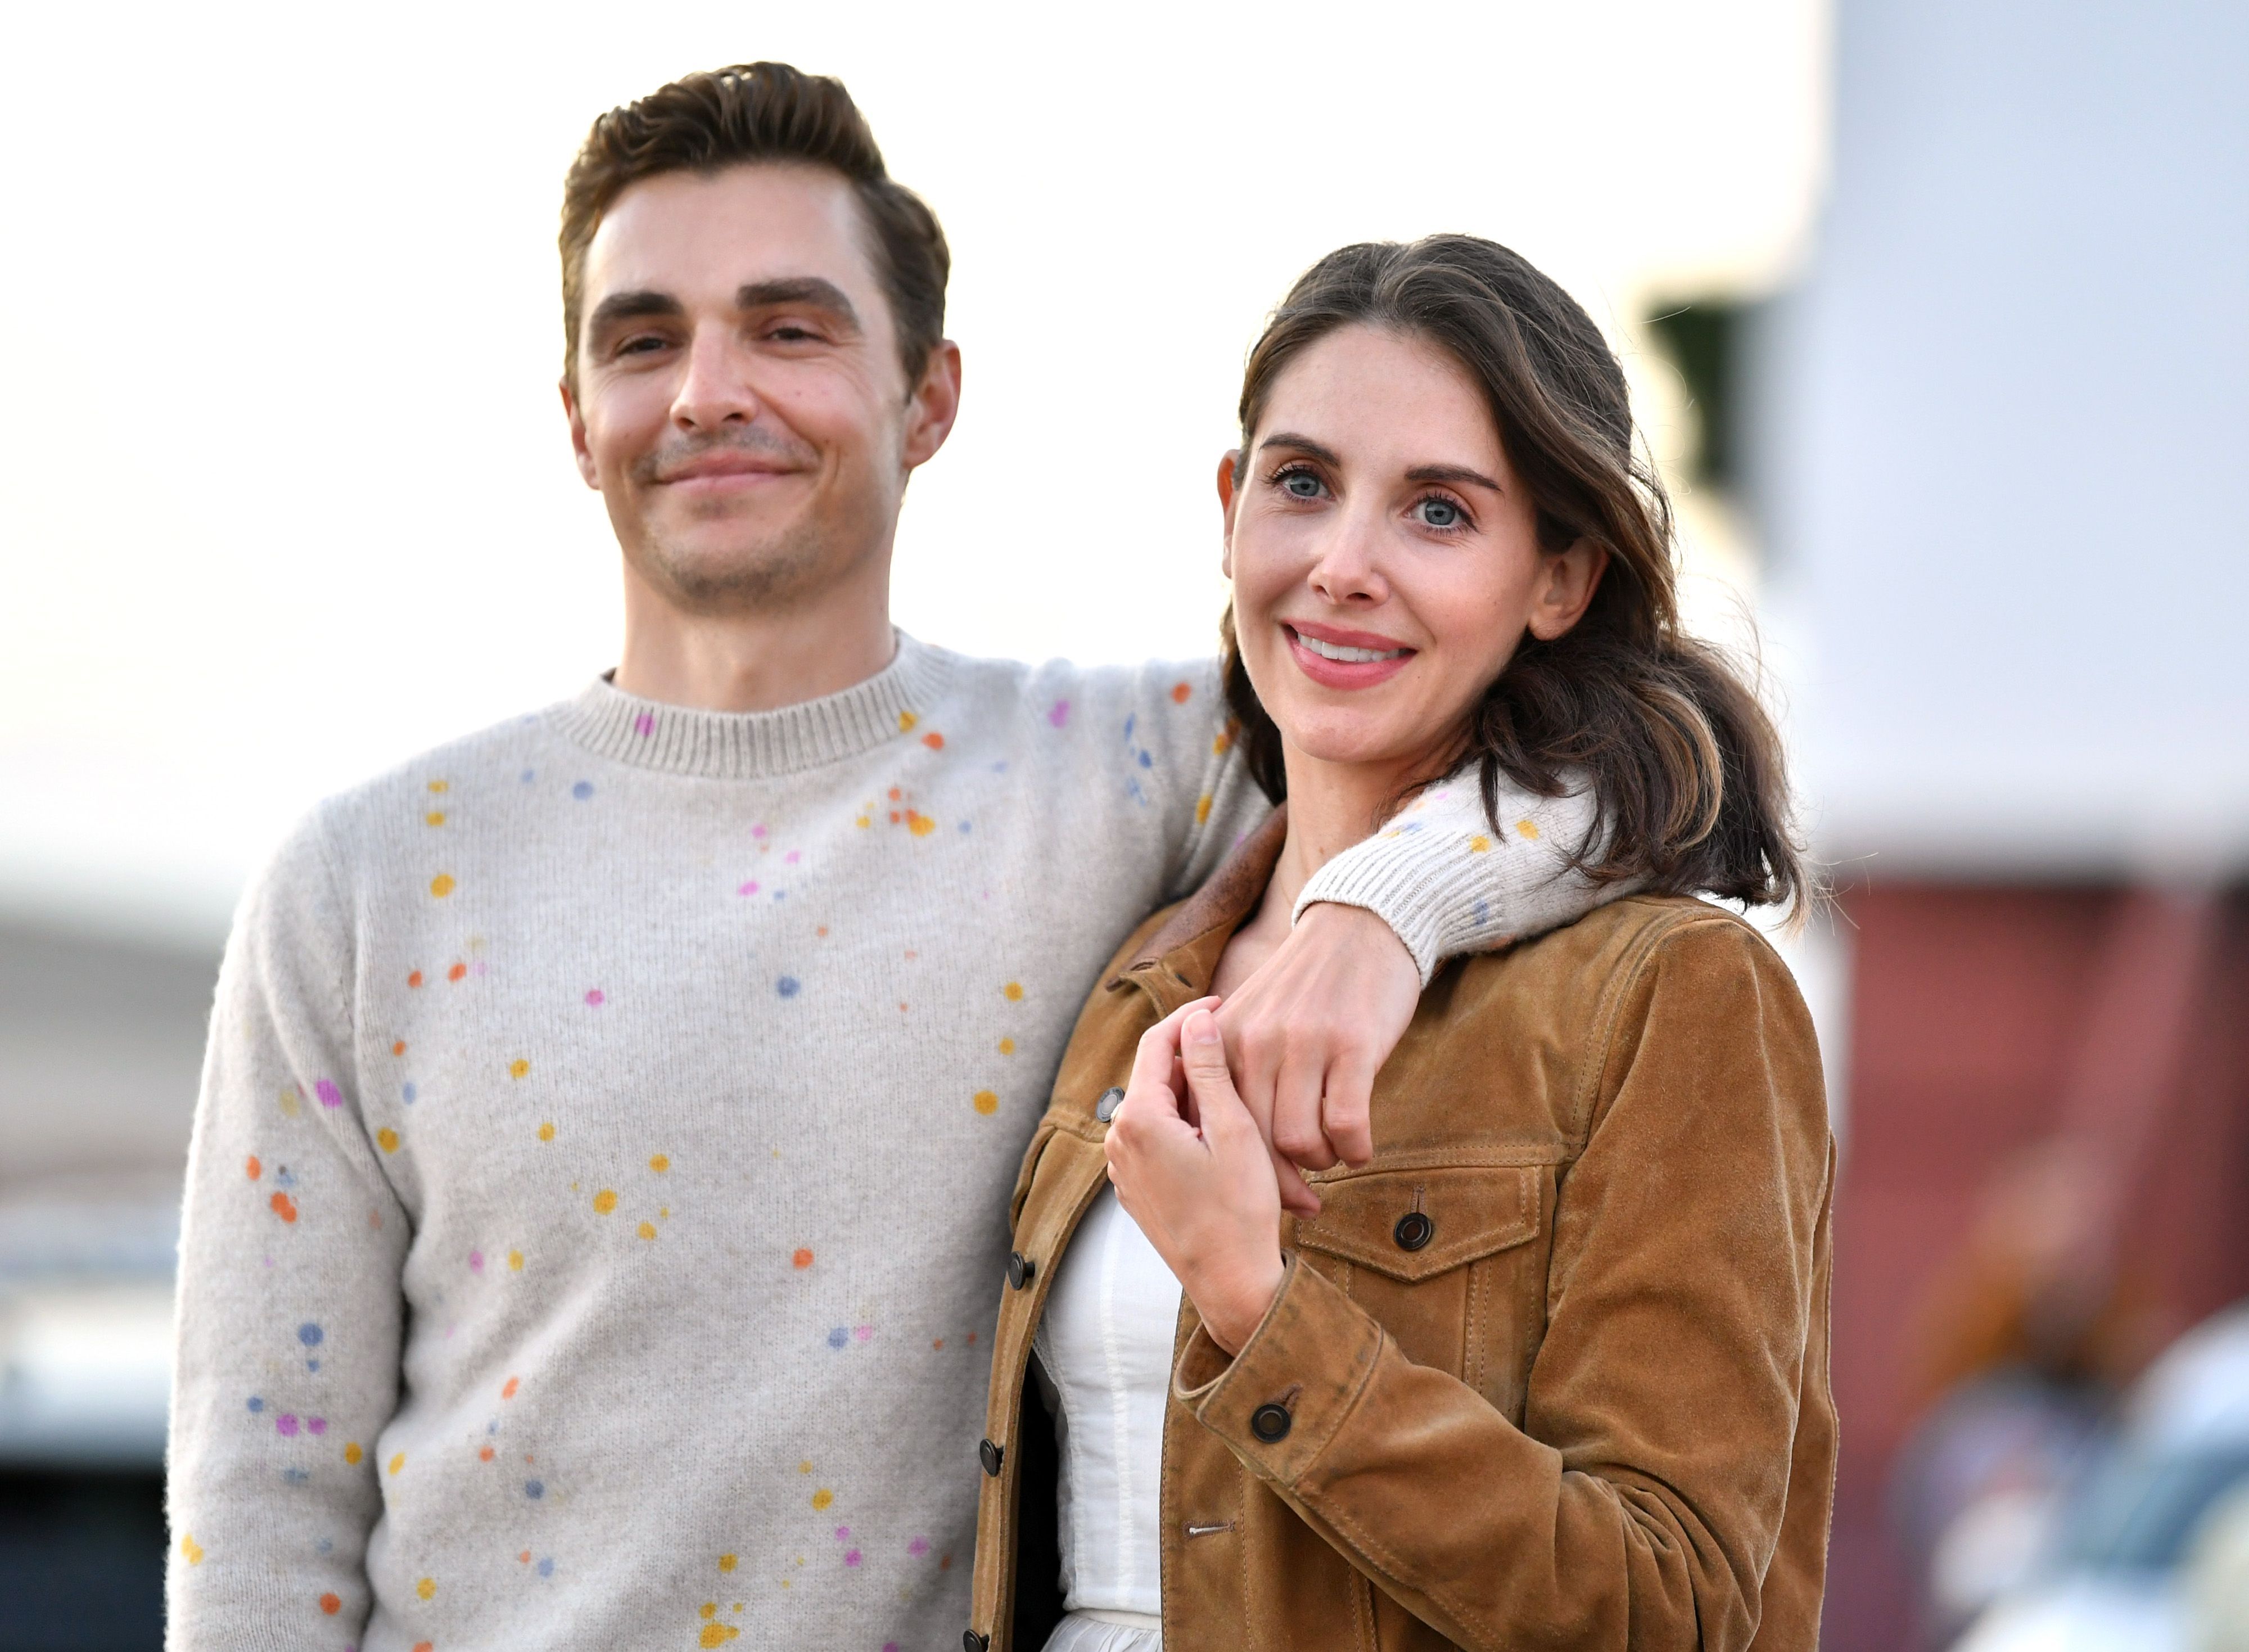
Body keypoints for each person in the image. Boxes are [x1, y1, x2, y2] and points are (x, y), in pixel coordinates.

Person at [163, 67, 1611, 1649]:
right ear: (577, 417)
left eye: (790, 328)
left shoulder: (1130, 770)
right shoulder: (365, 883)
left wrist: (1374, 916)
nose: (709, 388)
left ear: (932, 396)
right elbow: (259, 1509)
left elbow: (1598, 766)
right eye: (643, 338)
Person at [971, 236, 1836, 1652]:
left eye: (1438, 512)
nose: (1342, 565)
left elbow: (1668, 1608)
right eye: (1300, 484)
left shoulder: (1670, 997)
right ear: (1229, 506)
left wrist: (1261, 1309)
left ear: (1558, 578)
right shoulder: (1140, 974)